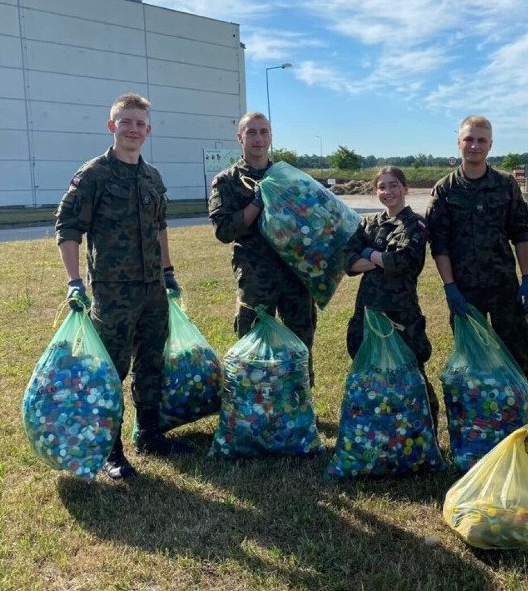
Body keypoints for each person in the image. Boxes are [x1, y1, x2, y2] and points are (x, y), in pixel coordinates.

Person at [55, 93, 190, 482]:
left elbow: (160, 226)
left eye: (140, 124)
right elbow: (68, 229)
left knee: (151, 363)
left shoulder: (152, 177)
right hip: (113, 293)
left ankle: (149, 433)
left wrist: (168, 272)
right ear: (112, 126)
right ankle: (112, 450)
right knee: (112, 369)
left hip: (152, 290)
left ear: (148, 131)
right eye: (126, 122)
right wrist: (74, 281)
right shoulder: (93, 174)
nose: (133, 129)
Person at [426, 115, 528, 419]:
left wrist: (527, 278)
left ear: (490, 144)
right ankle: (478, 426)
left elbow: (520, 234)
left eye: (481, 140)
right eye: (469, 139)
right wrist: (450, 286)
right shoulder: (445, 190)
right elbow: (440, 245)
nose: (474, 145)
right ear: (459, 142)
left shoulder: (505, 184)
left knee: (518, 355)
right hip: (464, 292)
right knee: (472, 360)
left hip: (504, 287)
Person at [207, 111, 317, 385]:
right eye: (251, 132)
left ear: (271, 136)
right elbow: (223, 231)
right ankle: (255, 407)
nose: (258, 138)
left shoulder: (287, 176)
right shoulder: (227, 181)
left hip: (294, 273)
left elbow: (311, 219)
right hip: (256, 275)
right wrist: (256, 203)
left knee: (301, 340)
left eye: (263, 132)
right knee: (253, 342)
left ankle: (301, 408)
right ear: (240, 137)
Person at [343, 166, 439, 429]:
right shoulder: (368, 224)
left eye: (394, 185)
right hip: (369, 310)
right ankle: (380, 430)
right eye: (382, 186)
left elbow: (400, 261)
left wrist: (369, 254)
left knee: (410, 371)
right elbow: (347, 261)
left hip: (401, 312)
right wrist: (380, 259)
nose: (388, 191)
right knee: (369, 374)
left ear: (405, 189)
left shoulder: (415, 223)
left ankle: (422, 431)